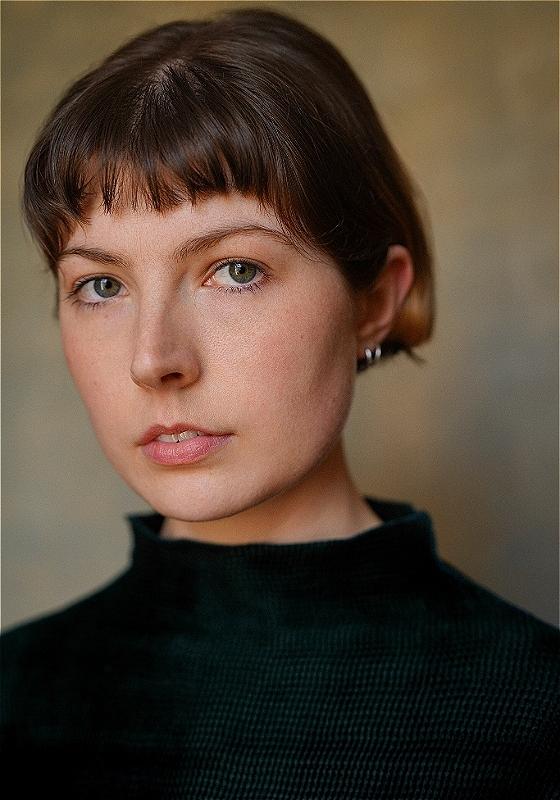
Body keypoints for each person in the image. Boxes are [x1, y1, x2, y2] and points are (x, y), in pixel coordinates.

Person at [1, 7, 558, 798]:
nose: (154, 359)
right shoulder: (12, 696)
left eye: (235, 271)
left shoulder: (537, 717)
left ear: (375, 301)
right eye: (100, 285)